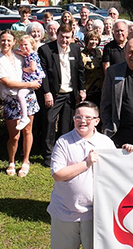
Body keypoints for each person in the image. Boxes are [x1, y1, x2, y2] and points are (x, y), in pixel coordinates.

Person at [47, 101, 133, 249]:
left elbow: (119, 172)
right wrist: (86, 164)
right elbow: (57, 174)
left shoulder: (105, 143)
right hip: (64, 212)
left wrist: (128, 152)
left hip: (95, 215)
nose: (82, 121)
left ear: (96, 121)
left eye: (88, 117)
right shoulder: (63, 142)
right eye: (78, 117)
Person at [0, 30, 41, 177]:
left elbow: (32, 58)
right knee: (14, 135)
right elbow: (6, 82)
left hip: (28, 98)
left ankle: (26, 161)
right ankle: (11, 161)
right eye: (3, 40)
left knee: (27, 131)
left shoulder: (20, 56)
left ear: (13, 42)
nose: (6, 43)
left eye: (9, 40)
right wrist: (29, 85)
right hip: (11, 100)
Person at [38, 24, 87, 167]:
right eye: (62, 37)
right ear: (57, 35)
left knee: (66, 125)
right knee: (49, 122)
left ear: (72, 37)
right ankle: (48, 155)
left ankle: (63, 153)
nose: (64, 40)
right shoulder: (45, 50)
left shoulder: (76, 49)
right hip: (54, 93)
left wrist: (82, 90)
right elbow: (43, 75)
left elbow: (80, 71)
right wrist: (47, 93)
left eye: (67, 37)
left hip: (70, 94)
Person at [14, 35, 46, 131]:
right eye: (21, 45)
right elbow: (14, 51)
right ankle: (24, 116)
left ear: (32, 45)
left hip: (33, 79)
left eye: (26, 45)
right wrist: (21, 52)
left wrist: (23, 69)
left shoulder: (32, 55)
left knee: (20, 95)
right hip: (30, 79)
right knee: (21, 95)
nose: (23, 47)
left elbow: (32, 68)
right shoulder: (27, 54)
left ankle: (24, 117)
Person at [80, 31, 104, 106]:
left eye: (96, 40)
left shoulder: (100, 52)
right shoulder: (81, 54)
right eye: (91, 39)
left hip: (100, 88)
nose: (94, 42)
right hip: (88, 89)